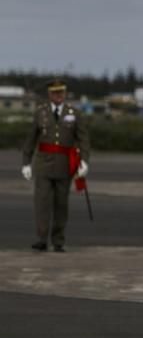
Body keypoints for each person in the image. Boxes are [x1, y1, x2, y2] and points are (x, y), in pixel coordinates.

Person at [22, 79, 90, 252]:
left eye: (61, 92)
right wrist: (26, 163)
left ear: (65, 93)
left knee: (61, 204)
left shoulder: (74, 113)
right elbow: (31, 139)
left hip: (64, 165)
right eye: (54, 92)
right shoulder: (40, 113)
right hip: (43, 164)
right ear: (49, 94)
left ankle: (58, 241)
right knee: (42, 203)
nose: (58, 95)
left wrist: (84, 161)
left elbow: (83, 140)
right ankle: (42, 239)